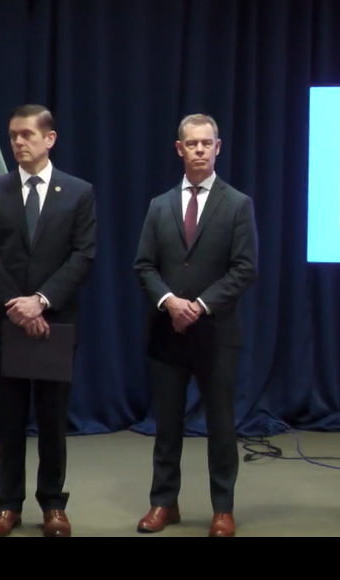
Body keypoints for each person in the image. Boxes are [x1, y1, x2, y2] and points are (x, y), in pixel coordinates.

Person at [0, 104, 97, 538]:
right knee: (8, 421)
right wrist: (18, 306)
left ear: (50, 139)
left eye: (26, 134)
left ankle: (53, 506)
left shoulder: (78, 192)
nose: (18, 142)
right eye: (13, 135)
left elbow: (83, 255)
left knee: (51, 422)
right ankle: (7, 506)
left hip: (54, 325)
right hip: (4, 325)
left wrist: (41, 302)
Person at [133, 114, 258, 537]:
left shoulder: (237, 204)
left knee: (221, 426)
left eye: (207, 143)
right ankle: (164, 503)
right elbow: (144, 266)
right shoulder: (159, 205)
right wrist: (170, 302)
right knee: (166, 426)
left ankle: (222, 509)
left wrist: (200, 306)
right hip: (167, 332)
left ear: (217, 148)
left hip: (216, 335)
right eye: (192, 143)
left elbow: (245, 269)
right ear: (179, 149)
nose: (200, 150)